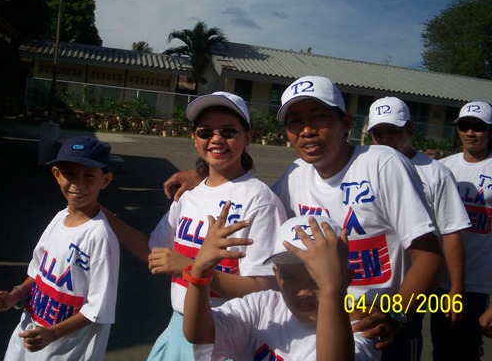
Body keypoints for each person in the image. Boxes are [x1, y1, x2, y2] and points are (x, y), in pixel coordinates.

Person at [164, 76, 444, 361]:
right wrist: (203, 174)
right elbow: (251, 195)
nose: (307, 130)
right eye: (295, 122)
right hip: (313, 321)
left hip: (377, 328)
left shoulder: (381, 163)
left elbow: (430, 258)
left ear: (346, 122)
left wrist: (396, 316)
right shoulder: (297, 174)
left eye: (319, 118)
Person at [106, 91, 287, 360]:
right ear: (194, 139)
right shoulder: (188, 197)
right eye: (205, 132)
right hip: (177, 327)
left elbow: (266, 286)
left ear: (247, 137)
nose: (216, 139)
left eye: (228, 131)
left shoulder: (258, 200)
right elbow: (154, 253)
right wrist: (106, 217)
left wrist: (191, 270)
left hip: (225, 334)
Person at [183, 205, 380, 361]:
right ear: (276, 275)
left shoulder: (361, 326)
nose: (303, 291)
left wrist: (331, 290)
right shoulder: (264, 305)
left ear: (344, 279)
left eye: (316, 279)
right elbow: (199, 334)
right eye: (290, 277)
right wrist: (199, 274)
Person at [0, 136, 120, 361]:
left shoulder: (100, 236)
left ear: (105, 180)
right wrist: (13, 296)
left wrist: (53, 333)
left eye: (89, 176)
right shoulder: (59, 219)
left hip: (66, 351)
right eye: (69, 174)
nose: (78, 184)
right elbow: (38, 274)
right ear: (57, 175)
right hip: (28, 337)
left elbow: (98, 309)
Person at [366, 96, 471, 349]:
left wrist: (457, 288)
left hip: (409, 288)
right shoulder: (364, 167)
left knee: (403, 341)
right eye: (378, 132)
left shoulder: (435, 172)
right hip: (366, 290)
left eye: (393, 130)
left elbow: (451, 232)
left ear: (410, 129)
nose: (386, 138)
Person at [431, 101, 492, 361]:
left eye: (478, 127)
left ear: (490, 131)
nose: (470, 133)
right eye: (465, 126)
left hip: (478, 284)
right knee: (440, 347)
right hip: (440, 281)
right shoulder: (443, 168)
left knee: (465, 351)